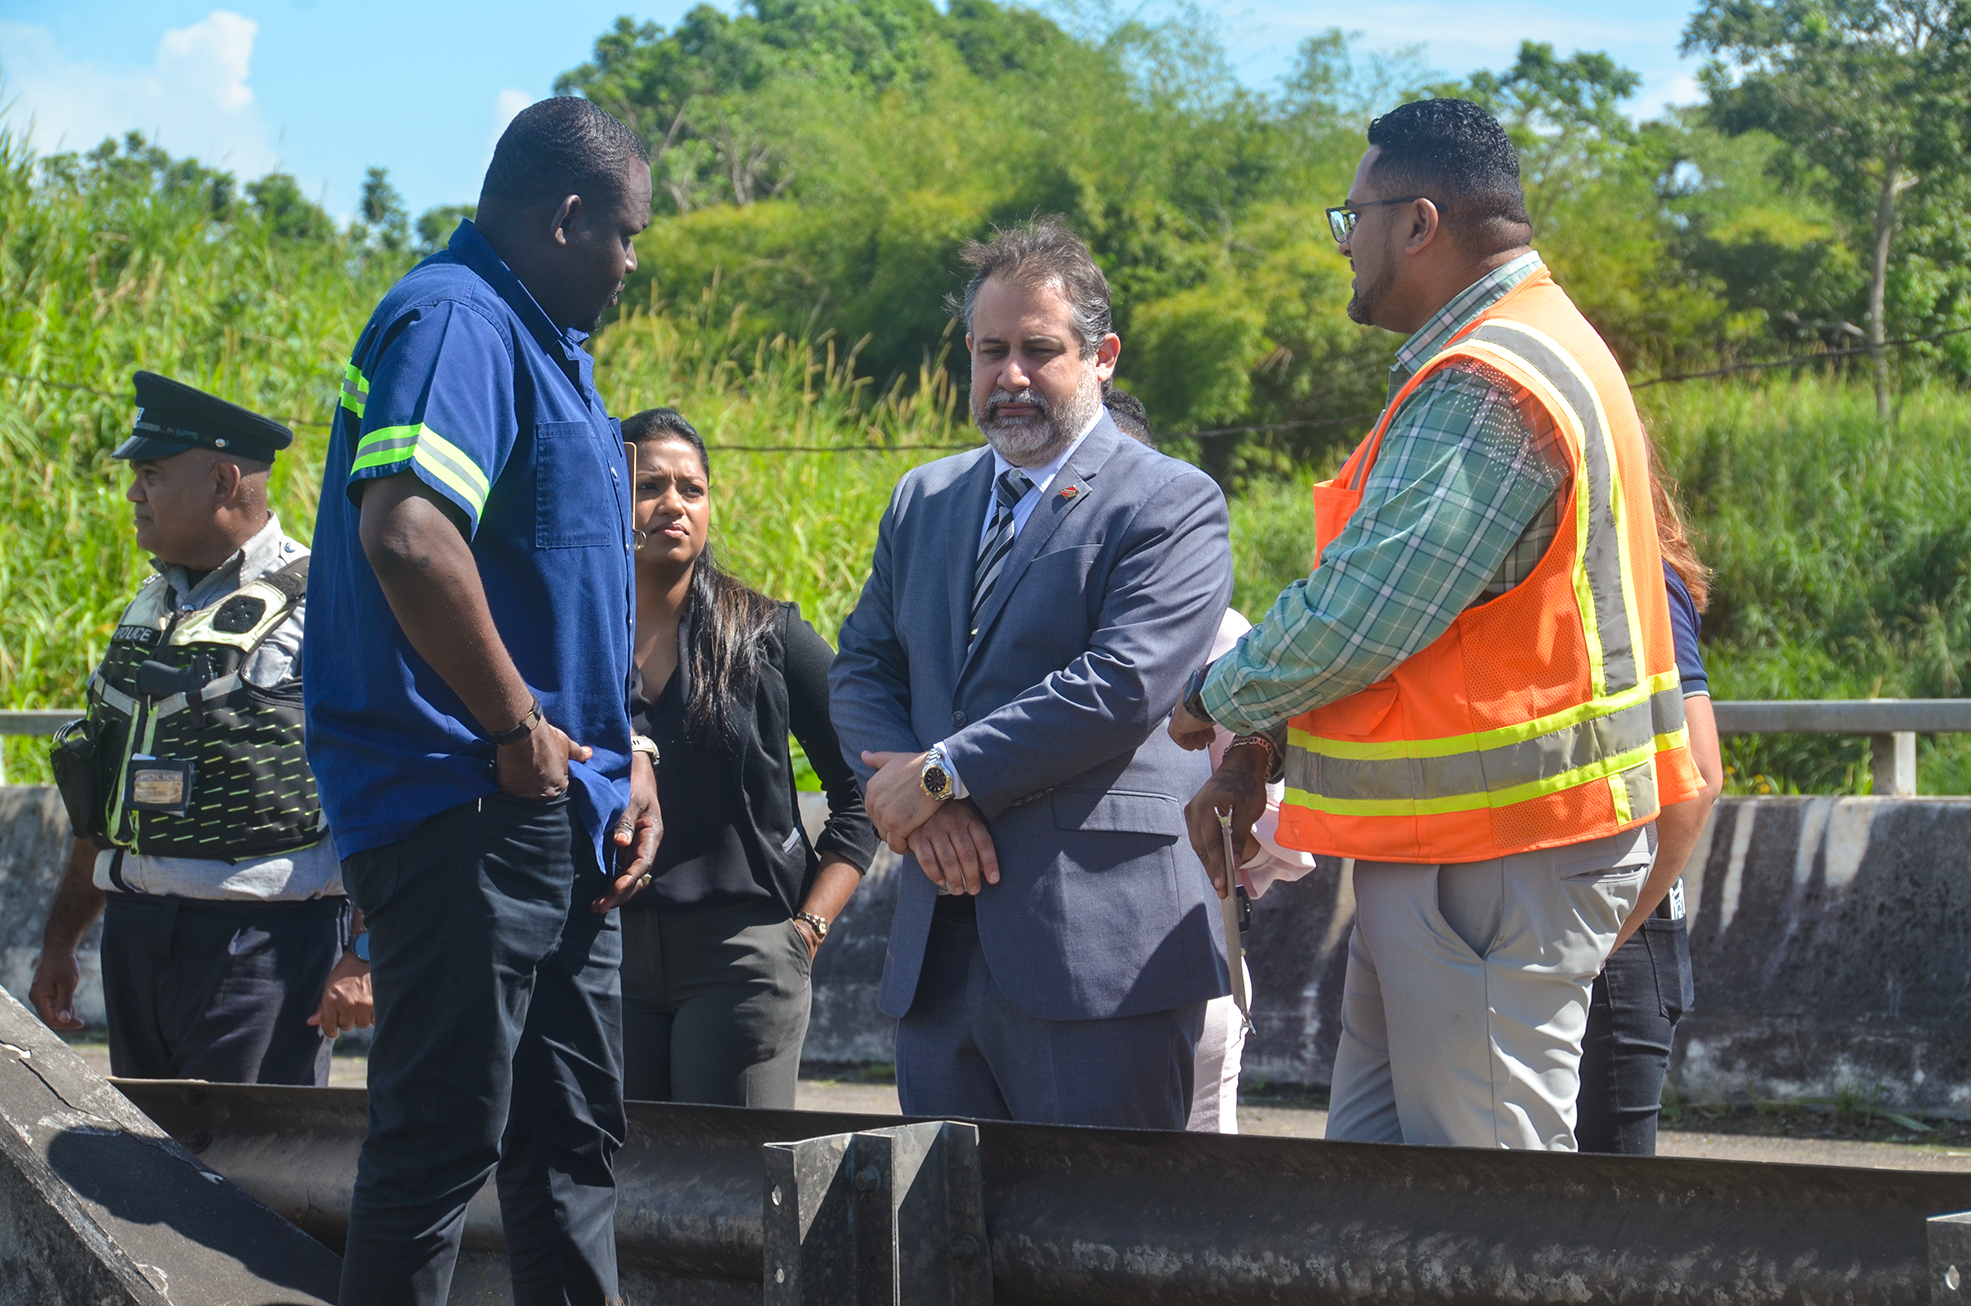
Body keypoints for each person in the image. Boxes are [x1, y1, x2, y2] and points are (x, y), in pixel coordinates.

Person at [1170, 98, 1705, 1151]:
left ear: (1418, 223)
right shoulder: (1529, 347)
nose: (1344, 246)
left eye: (1351, 218)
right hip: (1468, 852)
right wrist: (1265, 744)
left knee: (1483, 1212)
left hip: (1501, 857)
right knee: (1385, 1199)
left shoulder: (1488, 381)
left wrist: (1212, 700)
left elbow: (1366, 610)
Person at [302, 97, 661, 1306]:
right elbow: (407, 532)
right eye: (624, 237)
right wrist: (515, 732)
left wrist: (630, 749)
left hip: (556, 811)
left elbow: (558, 584)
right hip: (466, 805)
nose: (627, 266)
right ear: (566, 218)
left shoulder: (541, 344)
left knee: (567, 1148)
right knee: (441, 1145)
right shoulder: (455, 318)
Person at [829, 217, 1233, 1130]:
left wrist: (936, 778)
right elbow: (864, 661)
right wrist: (909, 788)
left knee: (1106, 1253)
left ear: (1103, 358)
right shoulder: (924, 499)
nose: (1008, 377)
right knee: (944, 1246)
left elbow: (1121, 683)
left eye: (1038, 350)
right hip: (939, 951)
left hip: (1099, 949)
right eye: (989, 350)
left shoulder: (1170, 499)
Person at [30, 371, 370, 1082]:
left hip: (265, 944)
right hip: (136, 934)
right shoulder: (149, 608)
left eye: (150, 474)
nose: (133, 493)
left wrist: (365, 953)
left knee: (240, 1172)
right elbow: (103, 786)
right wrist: (63, 939)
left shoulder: (327, 606)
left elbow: (387, 786)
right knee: (149, 1169)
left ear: (222, 482)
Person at [619, 407, 877, 1107]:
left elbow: (863, 784)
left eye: (691, 489)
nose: (673, 503)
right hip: (604, 955)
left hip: (743, 957)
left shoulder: (767, 634)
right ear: (609, 492)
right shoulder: (575, 640)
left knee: (735, 1188)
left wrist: (807, 930)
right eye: (650, 486)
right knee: (620, 1186)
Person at [1104, 387, 1318, 1133]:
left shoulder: (1223, 638)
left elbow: (1276, 827)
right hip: (1035, 976)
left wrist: (1224, 821)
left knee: (1193, 1194)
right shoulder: (995, 627)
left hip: (1184, 964)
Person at [1575, 460, 1725, 1154]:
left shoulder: (1636, 579)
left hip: (1618, 938)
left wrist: (1599, 939)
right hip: (1592, 924)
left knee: (1605, 1221)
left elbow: (1694, 777)